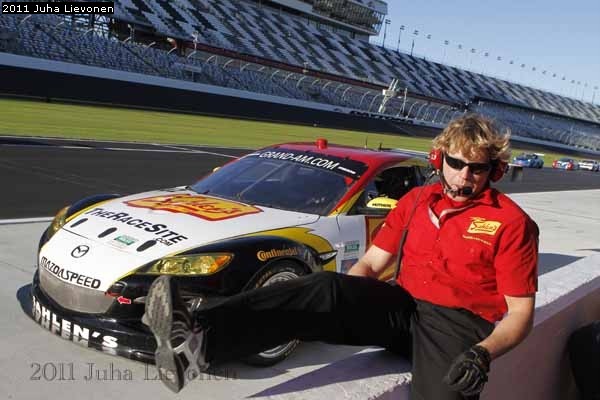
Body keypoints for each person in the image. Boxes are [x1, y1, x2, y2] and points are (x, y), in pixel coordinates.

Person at [144, 114, 539, 399]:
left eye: (477, 169)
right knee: (325, 287)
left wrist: (482, 353)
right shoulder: (416, 201)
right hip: (401, 308)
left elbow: (520, 314)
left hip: (457, 329)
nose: (464, 176)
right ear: (439, 160)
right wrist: (345, 299)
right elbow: (372, 265)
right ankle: (197, 341)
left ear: (494, 171)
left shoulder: (512, 223)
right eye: (455, 164)